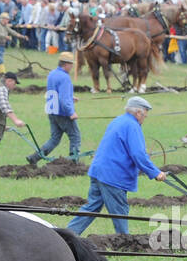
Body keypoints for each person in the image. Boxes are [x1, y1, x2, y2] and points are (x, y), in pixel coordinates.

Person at [66, 96, 167, 235]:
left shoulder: (118, 120)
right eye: (145, 114)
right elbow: (138, 154)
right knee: (120, 212)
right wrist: (156, 173)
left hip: (98, 170)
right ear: (138, 113)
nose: (145, 117)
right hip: (113, 175)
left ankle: (68, 235)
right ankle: (124, 241)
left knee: (91, 208)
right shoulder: (132, 126)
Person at [30, 52, 81, 163]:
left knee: (54, 139)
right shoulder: (65, 77)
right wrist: (71, 112)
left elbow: (55, 92)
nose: (72, 67)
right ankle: (74, 163)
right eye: (71, 64)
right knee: (75, 136)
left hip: (52, 111)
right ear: (66, 64)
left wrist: (70, 97)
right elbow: (62, 99)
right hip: (63, 113)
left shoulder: (52, 74)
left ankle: (34, 158)